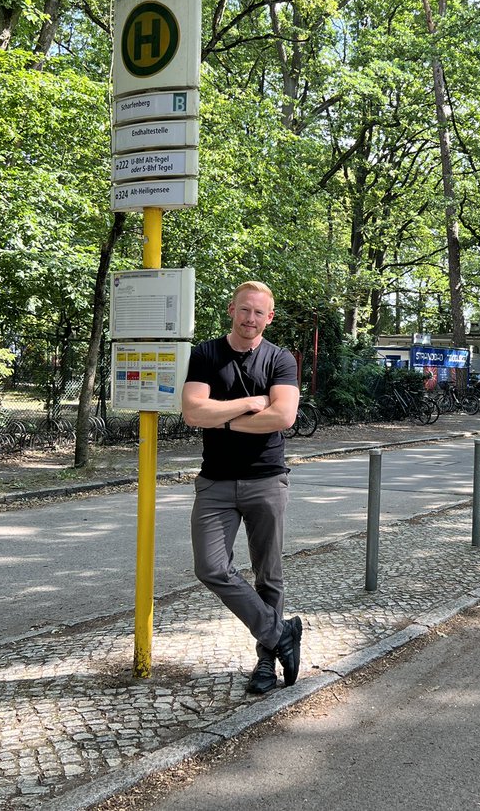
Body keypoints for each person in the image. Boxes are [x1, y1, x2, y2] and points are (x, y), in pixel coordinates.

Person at [181, 280, 302, 695]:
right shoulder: (206, 354)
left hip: (267, 479)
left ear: (270, 318)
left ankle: (265, 664)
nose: (251, 319)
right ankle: (279, 632)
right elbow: (193, 411)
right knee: (211, 567)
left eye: (259, 313)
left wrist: (225, 419)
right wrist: (249, 403)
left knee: (269, 574)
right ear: (232, 309)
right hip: (215, 480)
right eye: (244, 310)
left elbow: (283, 416)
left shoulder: (280, 359)